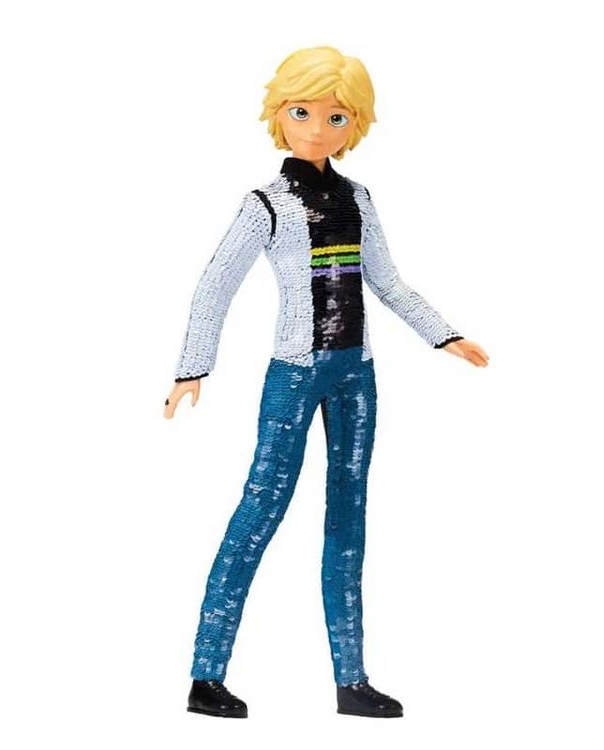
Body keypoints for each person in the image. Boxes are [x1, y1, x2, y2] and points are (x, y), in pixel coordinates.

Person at [164, 45, 489, 719]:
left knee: (349, 517)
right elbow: (215, 287)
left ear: (356, 123)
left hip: (355, 376)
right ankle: (205, 674)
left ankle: (351, 678)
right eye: (302, 113)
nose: (317, 129)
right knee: (260, 511)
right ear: (278, 115)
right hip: (294, 374)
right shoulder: (266, 205)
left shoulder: (359, 199)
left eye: (336, 117)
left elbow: (388, 283)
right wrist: (193, 368)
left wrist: (444, 335)